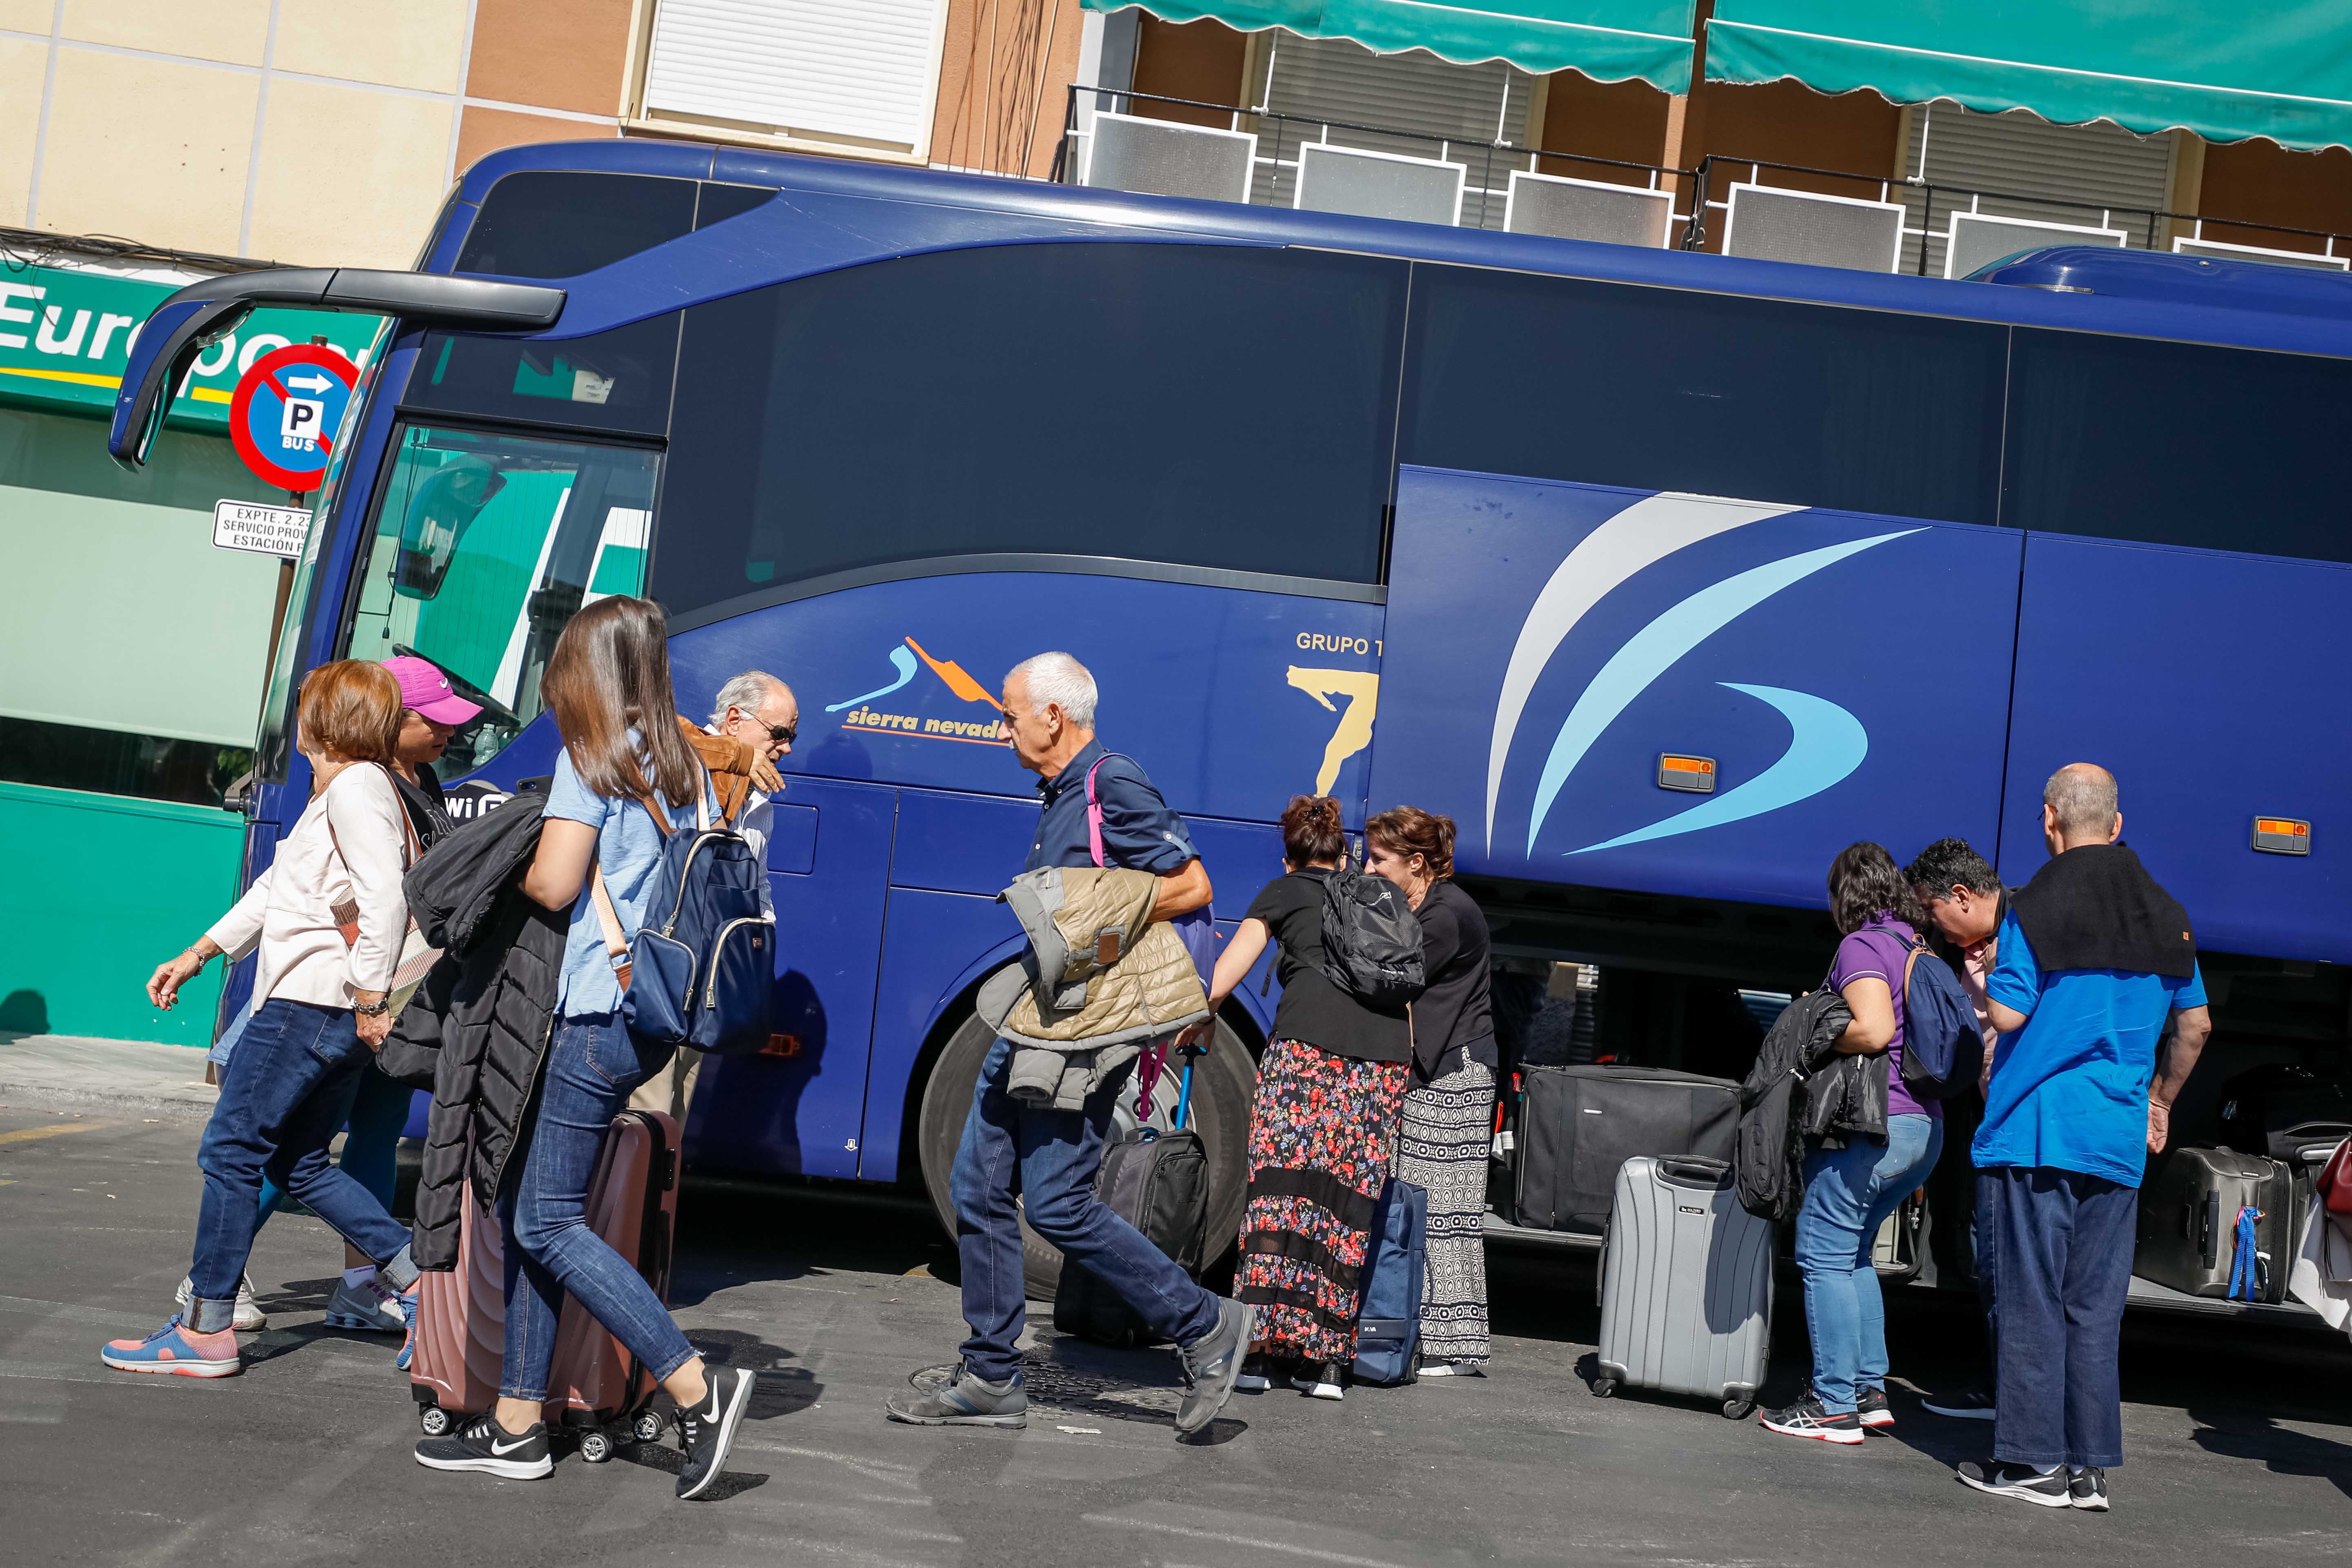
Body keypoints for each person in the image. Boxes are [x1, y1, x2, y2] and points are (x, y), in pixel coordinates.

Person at [411, 596, 755, 1497]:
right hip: (644, 1015)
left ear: (584, 670)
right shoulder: (683, 761)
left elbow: (557, 884)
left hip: (592, 1012)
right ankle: (519, 1424)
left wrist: (508, 841)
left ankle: (693, 1386)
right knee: (536, 1207)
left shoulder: (592, 759)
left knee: (544, 1219)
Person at [887, 651, 1252, 1437]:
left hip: (1079, 1032)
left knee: (1053, 1199)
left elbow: (1192, 885)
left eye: (1011, 710)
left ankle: (1207, 1323)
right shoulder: (1061, 792)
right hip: (1038, 1017)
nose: (1003, 724)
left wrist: (1096, 928)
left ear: (1054, 715)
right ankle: (991, 1374)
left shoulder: (1110, 781)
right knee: (978, 1185)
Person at [107, 661, 426, 1378]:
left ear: (323, 719)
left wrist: (370, 996)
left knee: (231, 1150)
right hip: (329, 1005)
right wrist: (201, 952)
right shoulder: (353, 789)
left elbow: (383, 901)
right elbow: (279, 890)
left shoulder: (353, 790)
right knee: (299, 1160)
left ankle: (205, 1327)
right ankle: (421, 1280)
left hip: (310, 1004)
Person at [1956, 764, 2210, 1513]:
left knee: (2031, 1297)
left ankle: (2033, 1463)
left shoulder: (2034, 906)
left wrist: (1983, 977)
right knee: (2095, 1306)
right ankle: (2088, 1468)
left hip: (2037, 1128)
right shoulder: (2171, 914)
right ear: (2119, 823)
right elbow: (2194, 1025)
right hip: (2117, 1137)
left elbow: (2006, 1017)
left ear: (2048, 820)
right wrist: (2159, 1098)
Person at [1204, 795, 1412, 1402]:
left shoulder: (1282, 890)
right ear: (1343, 850)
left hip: (1306, 1054)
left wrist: (1197, 1018)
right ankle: (1326, 1361)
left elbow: (1226, 975)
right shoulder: (1377, 897)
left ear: (1288, 851)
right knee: (1341, 1205)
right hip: (1381, 1064)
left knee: (1279, 1195)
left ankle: (1262, 1351)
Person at [1758, 842, 1945, 1444]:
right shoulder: (1914, 944)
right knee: (1855, 1251)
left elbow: (1873, 1028)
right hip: (1922, 1127)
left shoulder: (1861, 944)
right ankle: (1867, 1390)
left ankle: (1833, 1404)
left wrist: (1809, 1038)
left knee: (1822, 1254)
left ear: (1845, 895)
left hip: (1873, 1125)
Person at [629, 669, 799, 1121]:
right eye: (779, 734)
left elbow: (757, 885)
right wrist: (734, 756)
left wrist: (755, 953)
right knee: (646, 1109)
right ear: (732, 720)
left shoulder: (759, 798)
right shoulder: (677, 759)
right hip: (661, 969)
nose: (786, 748)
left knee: (673, 1119)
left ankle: (652, 1194)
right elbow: (648, 736)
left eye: (791, 737)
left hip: (708, 981)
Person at [1364, 805, 1495, 1377]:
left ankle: (1453, 1347)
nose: (1368, 868)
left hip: (1455, 1073)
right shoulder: (1424, 904)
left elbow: (1393, 975)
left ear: (1416, 862)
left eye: (1379, 859)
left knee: (1444, 1210)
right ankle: (1421, 1331)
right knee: (1421, 1204)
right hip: (1437, 1070)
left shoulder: (1446, 914)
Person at [1904, 837, 2007, 1422]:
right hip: (1992, 1112)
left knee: (2006, 1261)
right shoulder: (1956, 952)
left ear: (1962, 896)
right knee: (1990, 1257)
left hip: (2023, 1118)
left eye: (1932, 910)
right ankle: (2003, 1388)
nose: (1932, 926)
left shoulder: (2022, 935)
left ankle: (2008, 1395)